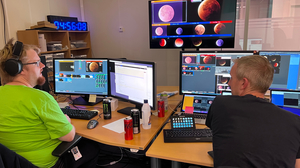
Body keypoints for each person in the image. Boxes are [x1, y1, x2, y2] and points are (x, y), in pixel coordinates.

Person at [0, 39, 99, 168]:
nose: (43, 66)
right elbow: (68, 136)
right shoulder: (40, 98)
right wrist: (66, 120)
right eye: (36, 63)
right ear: (19, 69)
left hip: (13, 163)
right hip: (47, 164)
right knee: (91, 147)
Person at [206, 55, 300, 168]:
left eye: (231, 78)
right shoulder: (296, 122)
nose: (229, 83)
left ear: (243, 83)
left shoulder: (220, 104)